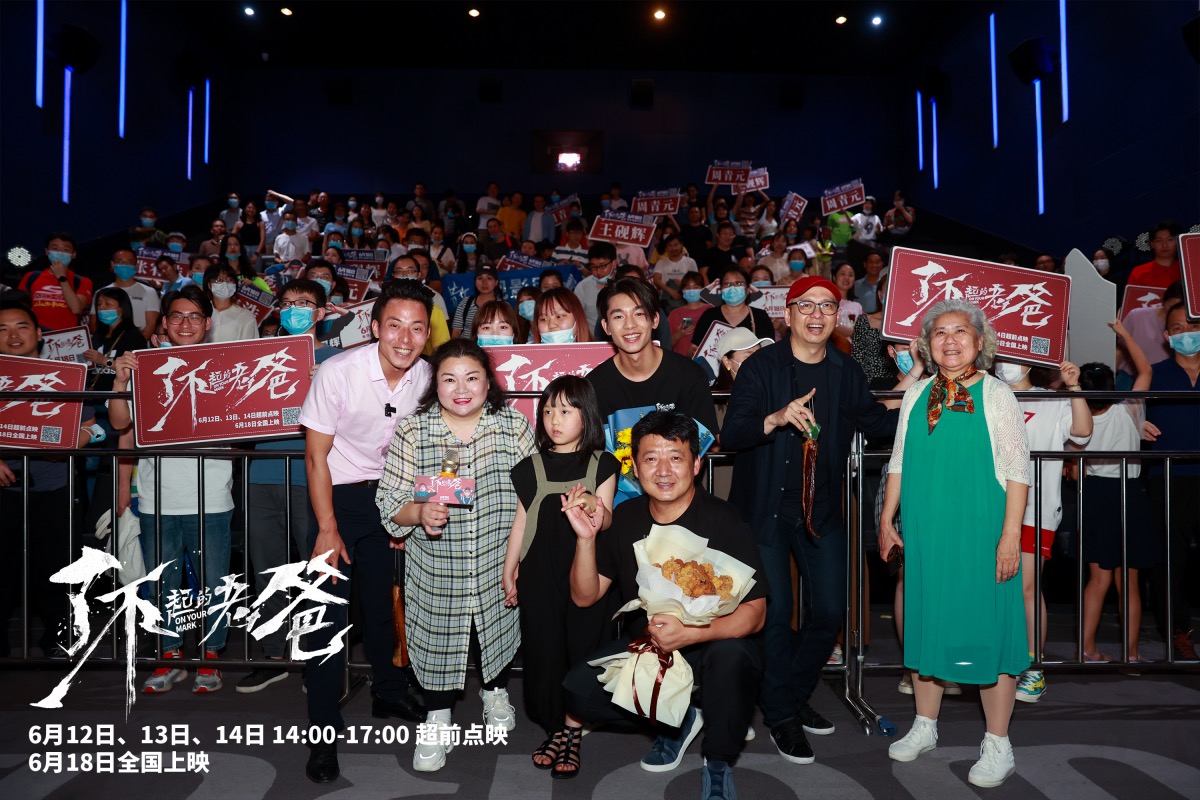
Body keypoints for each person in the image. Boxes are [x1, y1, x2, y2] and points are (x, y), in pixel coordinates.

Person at [722, 275, 905, 766]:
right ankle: (782, 714)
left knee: (829, 612)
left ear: (837, 316)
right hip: (764, 511)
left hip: (821, 510)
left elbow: (876, 422)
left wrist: (929, 403)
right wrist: (775, 418)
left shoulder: (845, 370)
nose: (817, 314)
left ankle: (787, 693)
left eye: (827, 306)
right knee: (777, 614)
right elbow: (732, 432)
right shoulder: (761, 367)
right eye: (806, 305)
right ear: (788, 314)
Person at [561, 411, 767, 800]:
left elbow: (756, 614)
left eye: (676, 457)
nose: (664, 470)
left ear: (696, 463)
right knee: (577, 691)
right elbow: (584, 596)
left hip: (715, 643)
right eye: (651, 458)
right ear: (636, 468)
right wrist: (586, 540)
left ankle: (718, 763)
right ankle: (680, 718)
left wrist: (691, 633)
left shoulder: (725, 520)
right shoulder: (625, 518)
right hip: (652, 648)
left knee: (733, 660)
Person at [877, 299, 1031, 789]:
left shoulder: (997, 394)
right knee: (927, 620)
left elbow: (1018, 471)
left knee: (990, 629)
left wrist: (1010, 537)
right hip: (927, 530)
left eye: (960, 331)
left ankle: (998, 743)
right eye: (940, 332)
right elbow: (899, 459)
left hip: (982, 530)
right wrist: (887, 518)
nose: (950, 340)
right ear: (928, 344)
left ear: (979, 342)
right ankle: (925, 725)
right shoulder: (917, 393)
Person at [297, 280, 435, 784]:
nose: (405, 338)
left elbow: (428, 448)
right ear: (375, 327)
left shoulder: (428, 377)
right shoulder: (339, 372)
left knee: (381, 604)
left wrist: (408, 511)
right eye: (394, 325)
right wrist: (327, 527)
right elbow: (315, 457)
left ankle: (389, 693)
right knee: (326, 619)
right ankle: (322, 735)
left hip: (391, 497)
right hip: (336, 497)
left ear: (428, 334)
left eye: (417, 328)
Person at [377, 339, 536, 773]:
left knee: (497, 627)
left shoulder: (512, 426)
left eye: (472, 378)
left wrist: (520, 558)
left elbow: (533, 495)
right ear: (436, 385)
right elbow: (389, 500)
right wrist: (419, 513)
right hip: (436, 565)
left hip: (497, 557)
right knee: (437, 638)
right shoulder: (414, 430)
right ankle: (438, 716)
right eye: (449, 379)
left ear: (488, 382)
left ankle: (495, 691)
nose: (461, 389)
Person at [107, 285, 235, 695]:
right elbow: (119, 423)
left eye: (195, 316)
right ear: (164, 322)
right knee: (163, 582)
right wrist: (120, 380)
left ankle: (210, 656)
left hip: (212, 495)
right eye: (177, 316)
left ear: (207, 323)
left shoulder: (226, 366)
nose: (185, 323)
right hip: (157, 497)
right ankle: (169, 655)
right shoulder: (144, 367)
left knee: (214, 581)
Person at [501, 376, 619, 777]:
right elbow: (521, 522)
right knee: (543, 651)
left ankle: (572, 729)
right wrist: (510, 569)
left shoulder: (601, 463)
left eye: (566, 411)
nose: (555, 419)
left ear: (587, 416)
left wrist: (591, 503)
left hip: (586, 573)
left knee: (582, 649)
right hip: (538, 573)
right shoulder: (530, 467)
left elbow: (607, 520)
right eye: (549, 410)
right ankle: (555, 728)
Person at [238, 279, 341, 693]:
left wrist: (327, 385)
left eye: (304, 303)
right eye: (287, 303)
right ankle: (271, 655)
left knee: (317, 572)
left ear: (320, 312)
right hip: (262, 474)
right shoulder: (259, 356)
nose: (294, 309)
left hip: (312, 478)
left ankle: (320, 658)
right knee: (267, 570)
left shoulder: (337, 361)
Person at [0, 301, 99, 657]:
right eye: (3, 329)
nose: (13, 335)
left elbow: (92, 426)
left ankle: (60, 639)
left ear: (39, 333)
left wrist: (70, 445)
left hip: (53, 486)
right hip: (3, 489)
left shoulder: (64, 375)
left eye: (22, 326)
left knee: (57, 567)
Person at [993, 358, 1091, 702]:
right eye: (1001, 357)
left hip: (1035, 509)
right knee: (992, 588)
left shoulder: (1051, 399)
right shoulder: (987, 394)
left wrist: (1074, 386)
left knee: (1026, 587)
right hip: (990, 508)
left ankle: (1034, 667)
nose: (1006, 364)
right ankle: (999, 661)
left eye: (1013, 358)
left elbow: (1082, 432)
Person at [1078, 323, 1160, 664]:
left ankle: (1087, 650)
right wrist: (1124, 334)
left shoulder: (1077, 420)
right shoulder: (1129, 410)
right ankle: (1132, 655)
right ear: (1112, 388)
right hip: (1129, 494)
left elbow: (1075, 468)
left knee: (1099, 578)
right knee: (1129, 580)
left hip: (1096, 494)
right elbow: (1145, 371)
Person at [587, 277, 718, 435]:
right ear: (606, 326)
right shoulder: (594, 386)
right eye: (619, 317)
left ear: (655, 320)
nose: (630, 325)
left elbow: (706, 441)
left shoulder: (690, 376)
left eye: (639, 314)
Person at [1144, 301, 1200, 660]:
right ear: (1167, 336)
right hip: (1167, 477)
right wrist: (1137, 424)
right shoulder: (1153, 374)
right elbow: (1127, 412)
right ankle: (1178, 634)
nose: (1186, 335)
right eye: (1178, 329)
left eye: (1192, 327)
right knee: (1169, 561)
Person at [688, 266, 773, 357]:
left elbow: (770, 352)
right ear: (721, 290)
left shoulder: (760, 316)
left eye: (738, 283)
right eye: (727, 284)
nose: (732, 287)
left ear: (748, 289)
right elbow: (692, 350)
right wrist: (694, 352)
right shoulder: (709, 315)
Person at [17, 232, 94, 331]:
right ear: (47, 251)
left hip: (67, 336)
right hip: (36, 334)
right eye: (55, 249)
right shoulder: (31, 277)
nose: (60, 253)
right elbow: (19, 308)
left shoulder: (82, 281)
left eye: (66, 250)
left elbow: (76, 309)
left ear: (73, 254)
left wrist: (62, 278)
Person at [82, 286, 147, 394]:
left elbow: (137, 370)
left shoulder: (134, 336)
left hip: (117, 396)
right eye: (98, 304)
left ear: (121, 309)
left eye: (107, 304)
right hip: (93, 395)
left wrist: (104, 360)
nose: (101, 307)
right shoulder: (97, 335)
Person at [91, 248, 160, 340]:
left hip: (136, 344)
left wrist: (135, 344)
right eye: (120, 262)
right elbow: (93, 324)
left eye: (129, 262)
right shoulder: (101, 293)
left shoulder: (149, 292)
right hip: (107, 344)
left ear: (136, 266)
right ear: (112, 265)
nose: (124, 265)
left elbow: (151, 325)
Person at [202, 263, 258, 343]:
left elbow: (250, 348)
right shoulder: (201, 312)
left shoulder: (246, 317)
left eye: (229, 280)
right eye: (219, 280)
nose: (225, 283)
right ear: (209, 285)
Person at [574, 242, 619, 333]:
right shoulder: (583, 287)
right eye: (594, 267)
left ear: (614, 263)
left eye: (602, 266)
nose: (598, 272)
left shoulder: (624, 283)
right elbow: (576, 317)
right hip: (592, 338)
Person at [1127, 220, 1182, 290]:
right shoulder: (1139, 272)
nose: (1164, 245)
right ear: (1152, 244)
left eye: (1170, 240)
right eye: (1159, 241)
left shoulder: (1186, 269)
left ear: (1178, 241)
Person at [451, 265, 502, 339]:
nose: (484, 283)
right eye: (480, 278)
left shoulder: (502, 306)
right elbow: (456, 332)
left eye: (489, 278)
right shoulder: (465, 303)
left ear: (496, 282)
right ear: (475, 282)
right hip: (467, 346)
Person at [667, 271, 708, 356]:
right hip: (680, 360)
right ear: (682, 291)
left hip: (705, 359)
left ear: (702, 289)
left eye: (696, 287)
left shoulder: (710, 310)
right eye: (688, 288)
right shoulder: (674, 314)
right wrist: (679, 334)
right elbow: (666, 344)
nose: (692, 291)